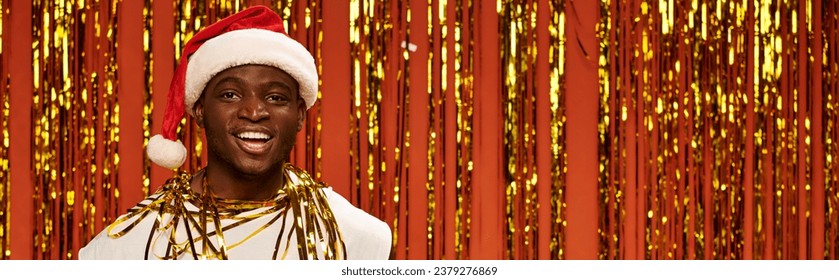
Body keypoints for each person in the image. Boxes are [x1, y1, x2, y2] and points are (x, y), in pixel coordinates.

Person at [79, 6, 392, 260]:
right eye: (230, 95)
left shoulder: (358, 240)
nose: (254, 112)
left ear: (299, 115)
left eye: (276, 97)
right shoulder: (127, 247)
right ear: (200, 110)